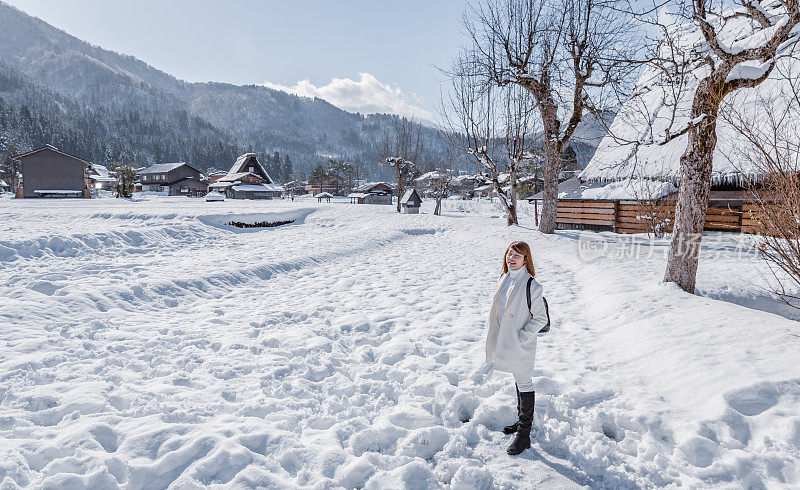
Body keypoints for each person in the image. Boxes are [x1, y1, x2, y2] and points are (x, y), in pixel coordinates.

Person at [484, 241, 549, 455]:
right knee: (517, 379)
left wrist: (522, 337)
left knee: (523, 381)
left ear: (526, 260)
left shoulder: (532, 285)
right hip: (506, 339)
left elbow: (540, 318)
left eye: (517, 256)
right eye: (509, 254)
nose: (511, 259)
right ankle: (521, 422)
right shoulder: (504, 278)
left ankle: (524, 435)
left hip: (520, 343)